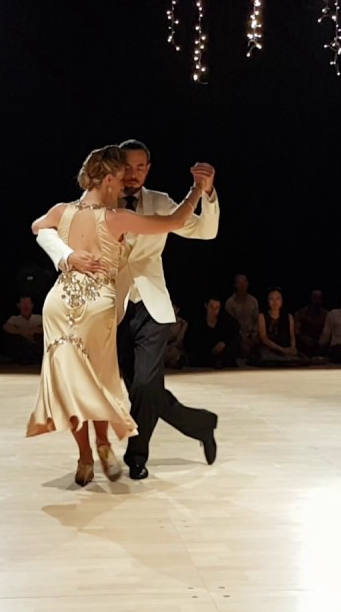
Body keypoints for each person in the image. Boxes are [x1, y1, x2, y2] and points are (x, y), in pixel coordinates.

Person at [37, 139, 220, 481]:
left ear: (148, 169)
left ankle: (134, 455)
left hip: (149, 304)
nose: (132, 175)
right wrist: (66, 256)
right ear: (113, 172)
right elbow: (42, 227)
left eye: (140, 167)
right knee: (111, 386)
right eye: (126, 167)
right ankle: (198, 424)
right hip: (103, 309)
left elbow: (203, 230)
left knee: (144, 386)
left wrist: (203, 193)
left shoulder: (159, 202)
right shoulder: (92, 205)